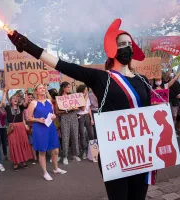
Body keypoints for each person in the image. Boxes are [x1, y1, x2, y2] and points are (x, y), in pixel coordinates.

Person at [8, 18, 152, 199]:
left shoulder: (143, 80)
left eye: (130, 44)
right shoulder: (100, 78)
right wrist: (29, 46)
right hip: (114, 153)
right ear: (112, 48)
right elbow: (61, 64)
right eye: (122, 44)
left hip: (142, 151)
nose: (127, 47)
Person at [27, 83, 67, 181]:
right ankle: (45, 172)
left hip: (50, 127)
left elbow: (52, 113)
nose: (43, 89)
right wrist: (38, 120)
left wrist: (53, 116)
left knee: (55, 150)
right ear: (36, 92)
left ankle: (56, 168)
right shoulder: (33, 103)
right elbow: (28, 118)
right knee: (42, 152)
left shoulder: (49, 101)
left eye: (43, 88)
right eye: (40, 88)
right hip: (40, 129)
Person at [5, 90, 33, 171]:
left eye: (16, 97)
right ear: (10, 100)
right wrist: (5, 92)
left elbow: (26, 102)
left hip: (21, 127)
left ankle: (23, 161)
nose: (15, 98)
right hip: (12, 128)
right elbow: (3, 102)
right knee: (14, 144)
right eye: (13, 98)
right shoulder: (7, 107)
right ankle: (16, 162)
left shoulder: (21, 107)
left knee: (22, 143)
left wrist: (26, 93)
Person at [56, 82, 81, 165]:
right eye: (68, 87)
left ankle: (75, 154)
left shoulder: (73, 96)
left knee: (75, 136)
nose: (69, 89)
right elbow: (57, 111)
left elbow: (80, 106)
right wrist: (66, 110)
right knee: (65, 137)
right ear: (63, 88)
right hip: (64, 118)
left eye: (69, 87)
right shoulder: (59, 98)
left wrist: (76, 108)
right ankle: (65, 156)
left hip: (74, 117)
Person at [76, 85, 94, 159]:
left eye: (87, 90)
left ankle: (93, 151)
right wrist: (85, 97)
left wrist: (91, 118)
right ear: (82, 90)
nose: (86, 91)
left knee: (91, 133)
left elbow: (88, 108)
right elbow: (82, 108)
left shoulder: (87, 97)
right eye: (85, 90)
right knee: (82, 134)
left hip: (87, 115)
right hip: (80, 116)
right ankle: (84, 151)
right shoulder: (78, 97)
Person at [23, 92, 38, 164]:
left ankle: (41, 154)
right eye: (29, 97)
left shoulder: (36, 106)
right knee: (32, 142)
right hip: (29, 126)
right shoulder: (24, 108)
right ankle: (34, 157)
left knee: (38, 141)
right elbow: (23, 118)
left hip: (36, 125)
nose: (30, 98)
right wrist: (25, 125)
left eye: (31, 97)